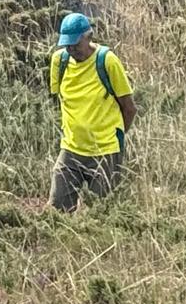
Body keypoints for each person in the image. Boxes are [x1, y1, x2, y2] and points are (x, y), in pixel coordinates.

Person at [48, 12, 136, 211]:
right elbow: (59, 102)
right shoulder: (58, 62)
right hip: (71, 149)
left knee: (99, 215)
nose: (71, 49)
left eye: (75, 44)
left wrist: (117, 138)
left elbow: (129, 108)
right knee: (56, 212)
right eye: (67, 45)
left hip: (105, 152)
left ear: (88, 37)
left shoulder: (107, 61)